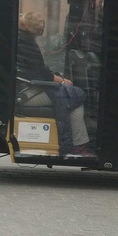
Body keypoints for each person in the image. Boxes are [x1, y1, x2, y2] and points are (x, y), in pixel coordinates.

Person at [16, 12, 91, 155]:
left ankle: (77, 143)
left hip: (24, 88)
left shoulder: (20, 39)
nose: (40, 33)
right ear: (36, 29)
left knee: (71, 99)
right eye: (40, 30)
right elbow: (41, 74)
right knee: (75, 96)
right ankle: (77, 145)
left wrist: (57, 78)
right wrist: (62, 81)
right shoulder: (28, 44)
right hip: (27, 93)